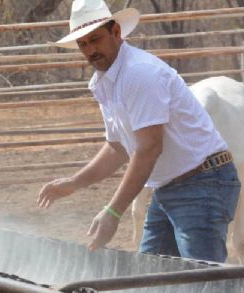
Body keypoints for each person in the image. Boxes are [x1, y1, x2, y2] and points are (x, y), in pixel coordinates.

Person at [37, 0, 240, 263]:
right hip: (174, 186)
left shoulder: (139, 74)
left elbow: (149, 149)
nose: (90, 50)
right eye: (83, 44)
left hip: (202, 182)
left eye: (95, 39)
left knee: (201, 282)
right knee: (152, 276)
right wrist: (75, 182)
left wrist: (113, 212)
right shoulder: (105, 82)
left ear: (116, 33)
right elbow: (118, 147)